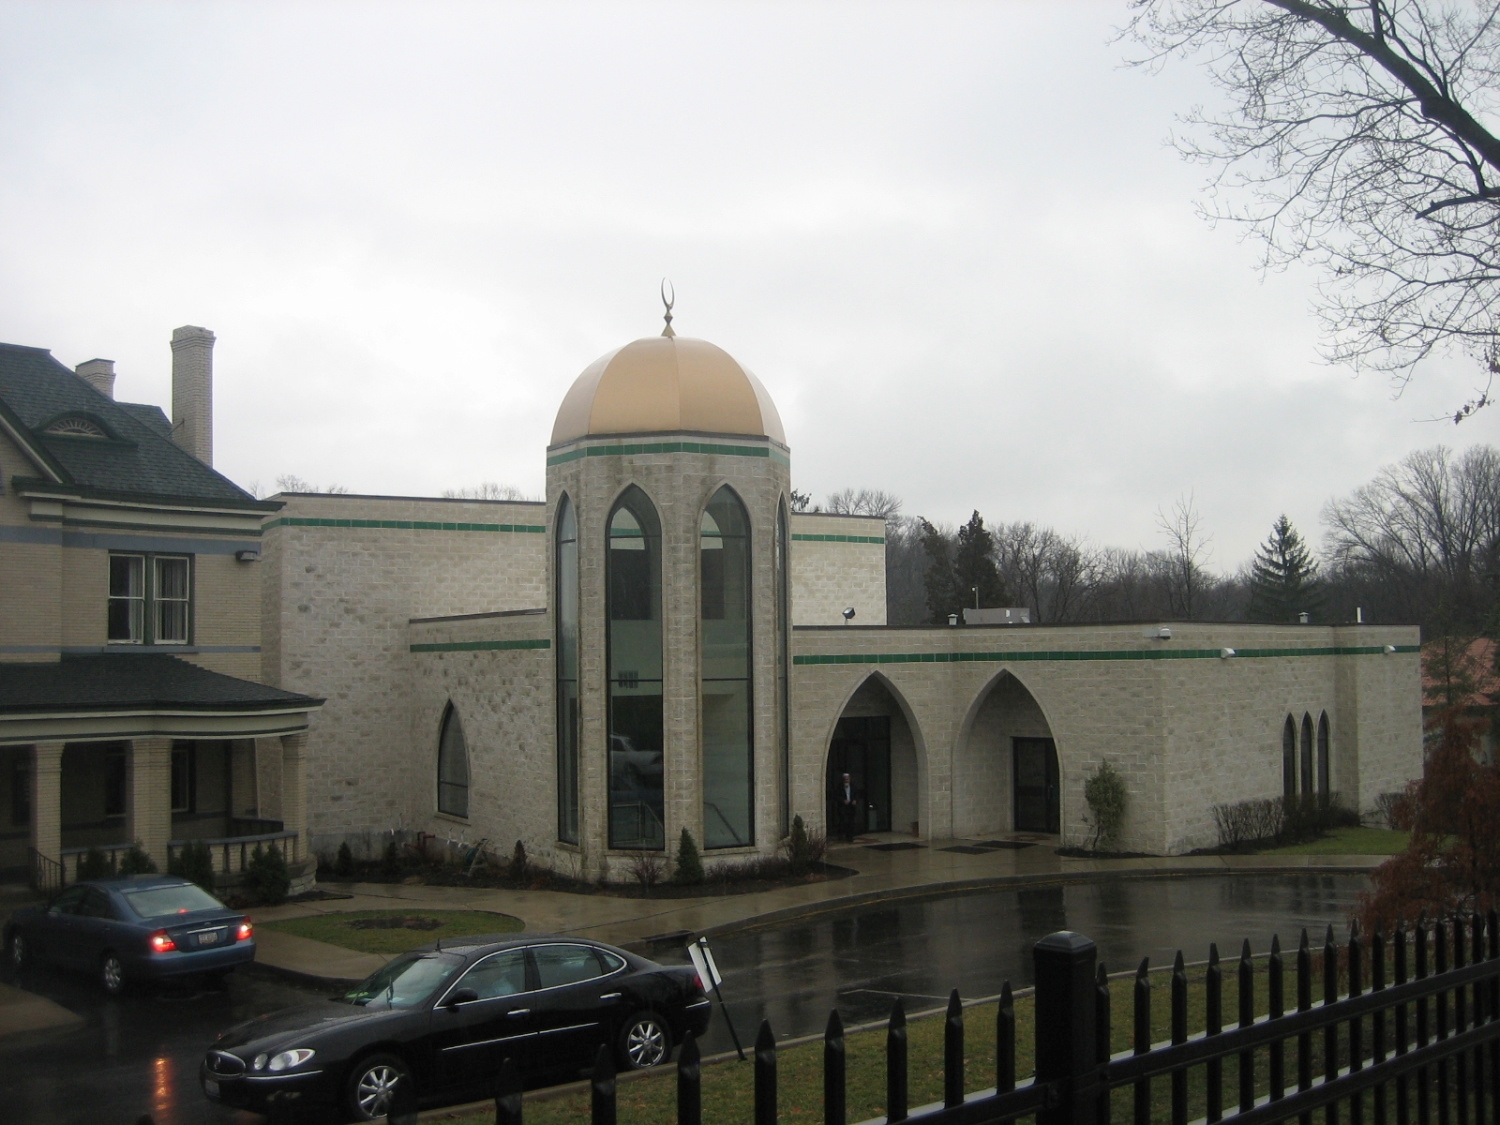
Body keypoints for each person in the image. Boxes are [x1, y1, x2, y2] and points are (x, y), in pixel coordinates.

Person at [831, 771, 861, 843]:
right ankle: (841, 835)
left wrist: (855, 800)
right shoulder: (839, 787)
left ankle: (850, 837)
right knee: (843, 822)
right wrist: (843, 800)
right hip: (843, 808)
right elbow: (836, 796)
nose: (847, 780)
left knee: (851, 822)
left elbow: (857, 795)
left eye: (848, 779)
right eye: (845, 779)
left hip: (851, 807)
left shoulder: (853, 786)